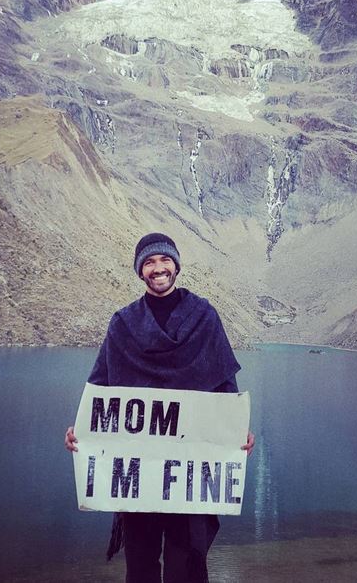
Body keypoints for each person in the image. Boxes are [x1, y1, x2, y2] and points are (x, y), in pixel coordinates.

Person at [65, 231, 254, 583]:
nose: (158, 268)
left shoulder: (203, 316)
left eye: (164, 260)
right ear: (140, 272)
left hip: (189, 469)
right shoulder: (123, 324)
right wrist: (82, 433)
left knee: (186, 561)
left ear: (176, 265)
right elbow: (100, 386)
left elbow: (225, 384)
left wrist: (236, 432)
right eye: (149, 262)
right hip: (141, 471)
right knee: (141, 562)